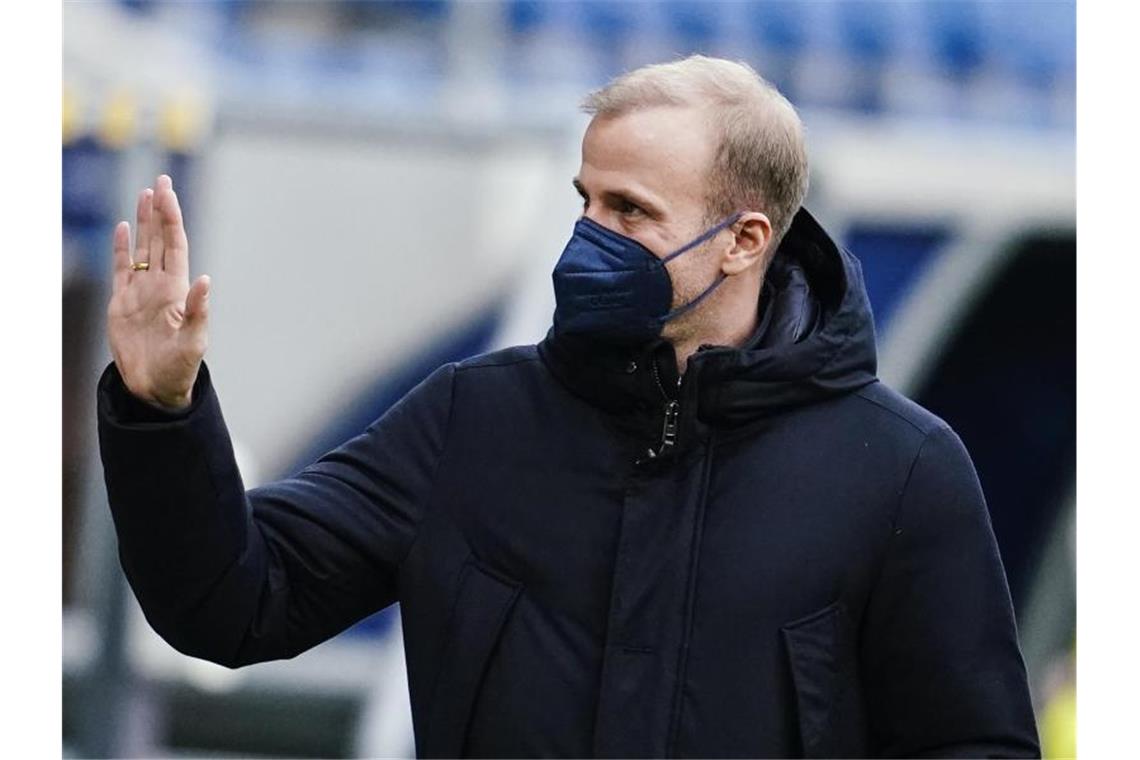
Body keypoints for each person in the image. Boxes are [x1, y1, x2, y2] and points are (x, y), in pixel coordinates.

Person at [97, 55, 1040, 758]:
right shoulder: (474, 419)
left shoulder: (902, 469)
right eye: (586, 200)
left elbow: (973, 745)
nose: (588, 236)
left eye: (630, 213)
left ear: (745, 239)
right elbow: (232, 602)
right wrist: (162, 406)